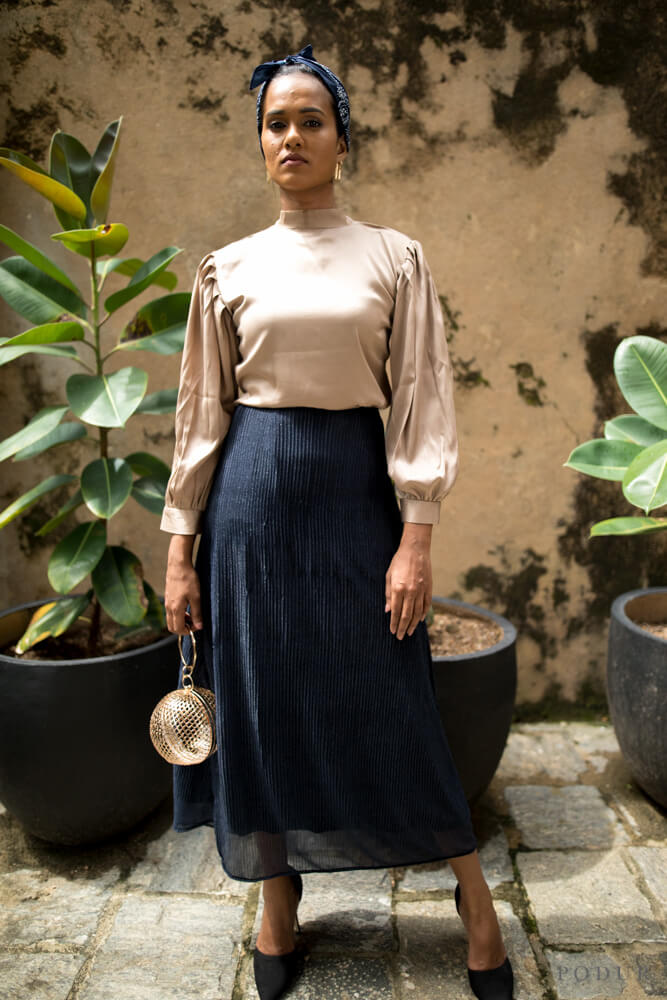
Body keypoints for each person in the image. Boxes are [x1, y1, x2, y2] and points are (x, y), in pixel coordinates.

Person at [161, 44, 513, 1000]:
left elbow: (420, 399)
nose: (291, 136)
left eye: (310, 119)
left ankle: (474, 902)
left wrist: (417, 535)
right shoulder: (226, 270)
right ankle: (277, 903)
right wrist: (180, 552)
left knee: (391, 702)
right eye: (275, 121)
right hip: (247, 509)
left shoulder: (393, 258)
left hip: (358, 501)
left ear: (341, 141)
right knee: (263, 704)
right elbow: (201, 415)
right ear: (260, 142)